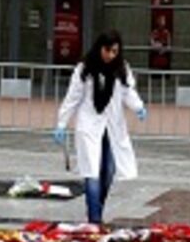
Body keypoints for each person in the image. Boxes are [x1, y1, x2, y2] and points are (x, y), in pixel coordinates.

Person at [53, 30, 147, 224]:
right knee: (91, 172)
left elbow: (128, 92)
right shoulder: (84, 68)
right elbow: (73, 98)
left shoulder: (121, 68)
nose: (110, 55)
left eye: (114, 51)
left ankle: (97, 208)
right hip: (89, 125)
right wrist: (62, 123)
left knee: (109, 171)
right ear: (99, 48)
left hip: (112, 125)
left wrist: (138, 107)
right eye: (107, 50)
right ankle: (94, 219)